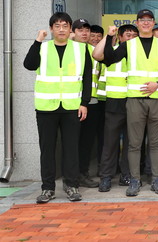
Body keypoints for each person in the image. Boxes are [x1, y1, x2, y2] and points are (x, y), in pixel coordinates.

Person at [101, 9, 158, 197]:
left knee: (156, 142)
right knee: (134, 144)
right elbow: (109, 59)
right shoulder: (129, 45)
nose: (146, 22)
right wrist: (110, 37)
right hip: (135, 99)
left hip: (157, 99)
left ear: (153, 23)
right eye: (142, 20)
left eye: (149, 20)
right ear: (137, 23)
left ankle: (156, 179)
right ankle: (134, 180)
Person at [24, 12, 91, 204]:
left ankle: (72, 186)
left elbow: (87, 78)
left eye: (65, 26)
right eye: (57, 26)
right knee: (47, 149)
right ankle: (47, 188)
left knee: (71, 148)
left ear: (70, 29)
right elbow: (29, 65)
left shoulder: (80, 49)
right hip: (46, 107)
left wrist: (84, 103)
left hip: (72, 107)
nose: (61, 29)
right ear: (51, 29)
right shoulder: (43, 48)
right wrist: (37, 41)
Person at [92, 24, 138, 192]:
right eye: (128, 35)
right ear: (120, 37)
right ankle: (106, 177)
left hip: (134, 102)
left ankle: (126, 175)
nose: (131, 38)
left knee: (131, 143)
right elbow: (96, 54)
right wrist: (108, 35)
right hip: (114, 102)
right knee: (110, 142)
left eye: (134, 35)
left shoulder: (139, 54)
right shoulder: (111, 51)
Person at [72, 18, 103, 189]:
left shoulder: (93, 52)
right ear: (73, 32)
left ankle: (83, 174)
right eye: (80, 30)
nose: (85, 33)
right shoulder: (69, 49)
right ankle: (72, 176)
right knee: (72, 142)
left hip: (92, 102)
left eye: (87, 30)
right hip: (71, 103)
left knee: (87, 142)